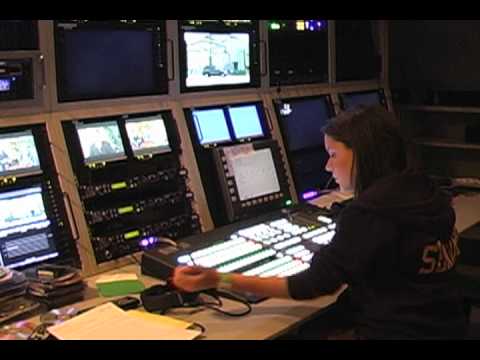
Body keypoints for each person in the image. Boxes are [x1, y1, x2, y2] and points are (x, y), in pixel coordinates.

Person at [173, 106, 467, 339]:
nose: (327, 165)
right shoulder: (427, 192)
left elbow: (309, 286)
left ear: (362, 154)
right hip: (444, 327)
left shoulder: (369, 214)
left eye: (333, 154)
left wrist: (217, 279)